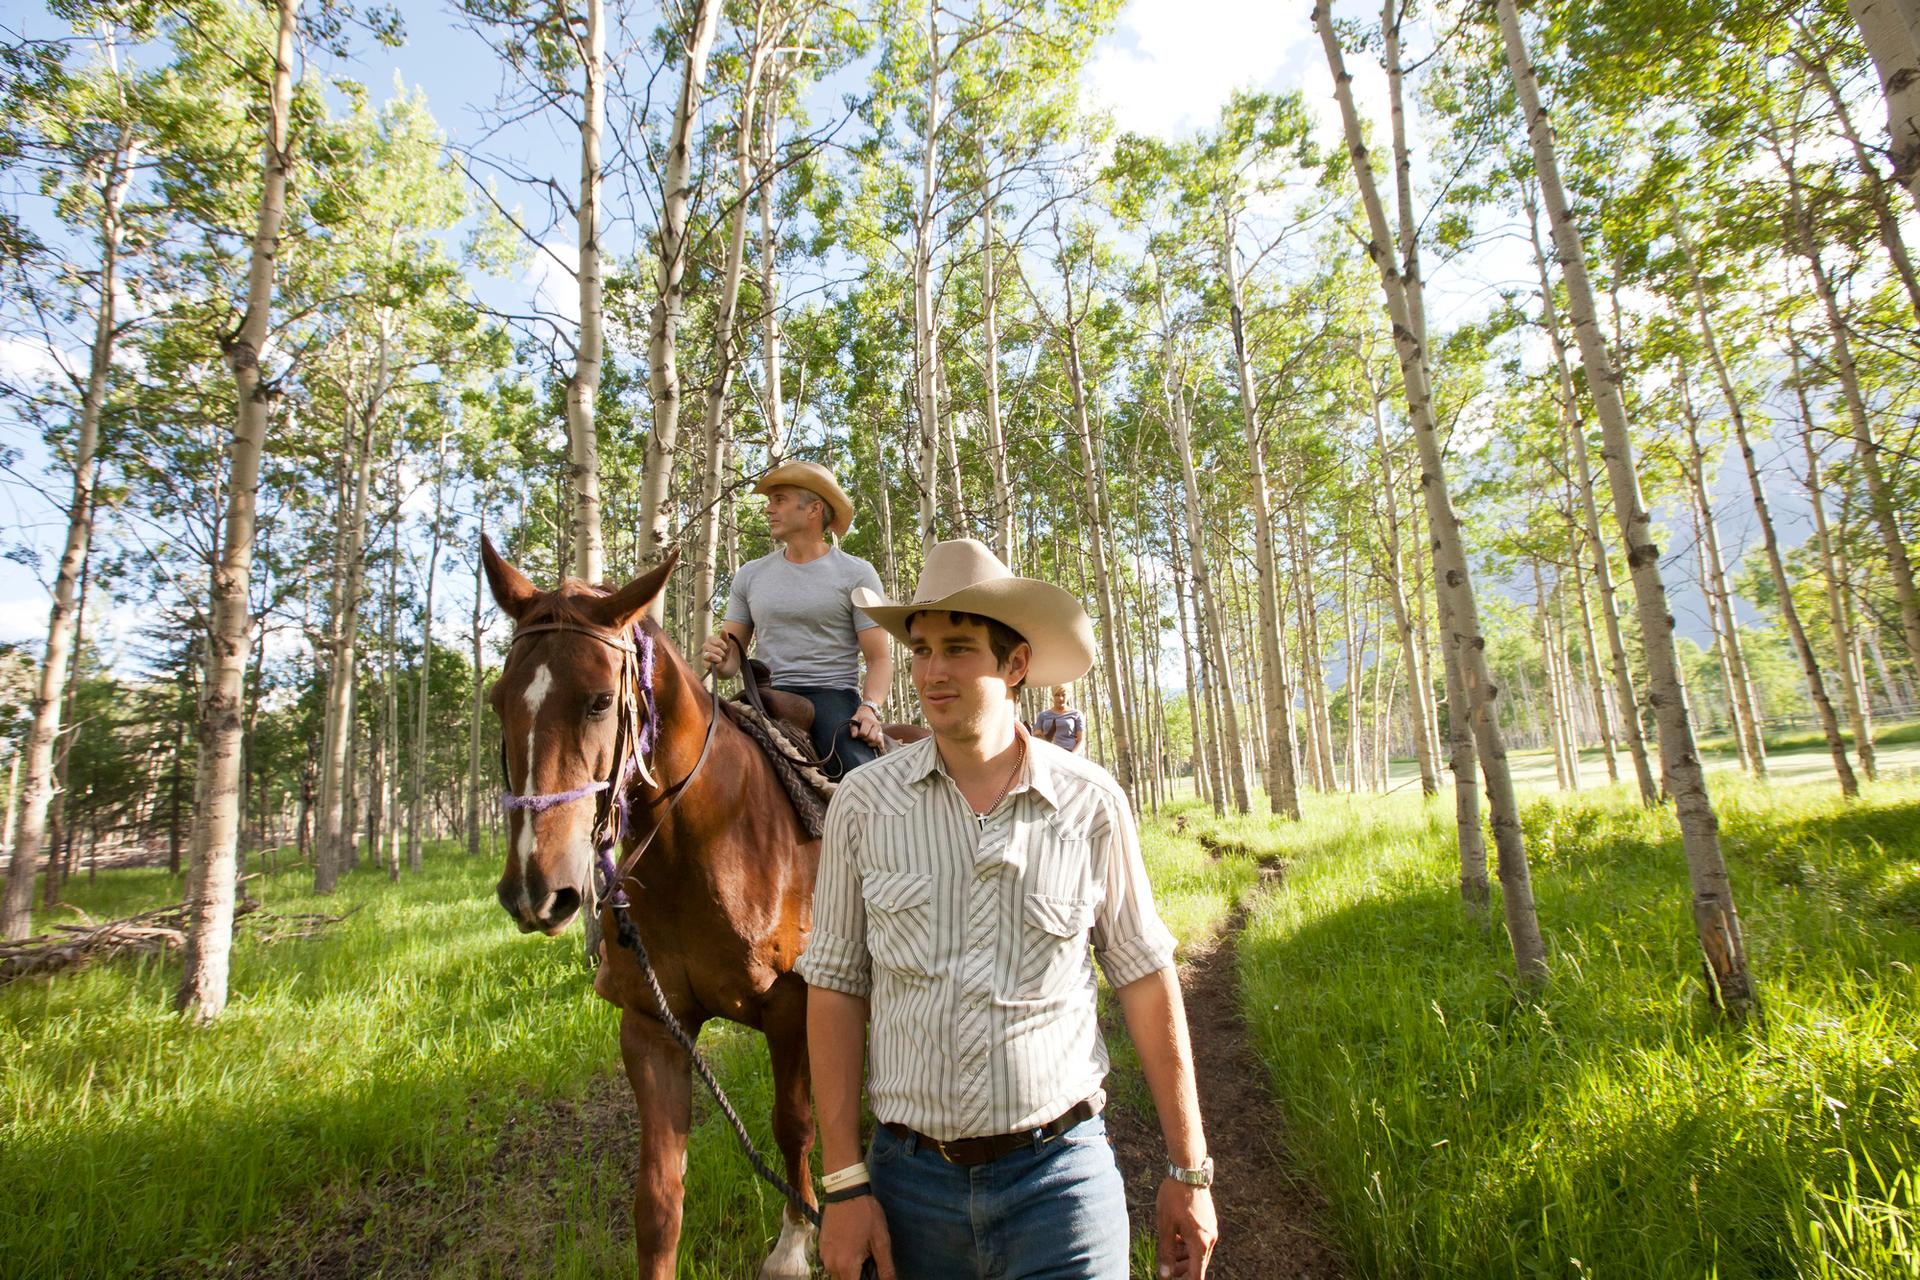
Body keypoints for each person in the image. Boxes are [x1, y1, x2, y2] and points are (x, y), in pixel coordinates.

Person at [797, 538, 1217, 1280]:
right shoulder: (863, 805)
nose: (930, 672)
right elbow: (834, 988)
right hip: (908, 1184)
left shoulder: (1090, 804)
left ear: (1015, 665)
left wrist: (1190, 1172)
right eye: (921, 649)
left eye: (957, 649)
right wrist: (842, 1182)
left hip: (1061, 1182)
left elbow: (1147, 980)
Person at [700, 460, 891, 779]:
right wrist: (720, 658)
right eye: (769, 502)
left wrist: (869, 708)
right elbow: (731, 661)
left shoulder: (856, 573)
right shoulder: (750, 575)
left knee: (863, 784)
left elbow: (880, 658)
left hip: (830, 698)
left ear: (814, 508)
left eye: (779, 500)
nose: (768, 510)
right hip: (764, 696)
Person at [1034, 683, 1086, 755]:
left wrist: (1073, 756)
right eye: (1057, 695)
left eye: (1063, 695)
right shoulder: (1043, 715)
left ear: (1068, 696)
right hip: (1049, 755)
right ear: (1053, 696)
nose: (1060, 698)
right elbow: (1037, 737)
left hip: (1070, 753)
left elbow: (1081, 740)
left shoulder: (1076, 714)